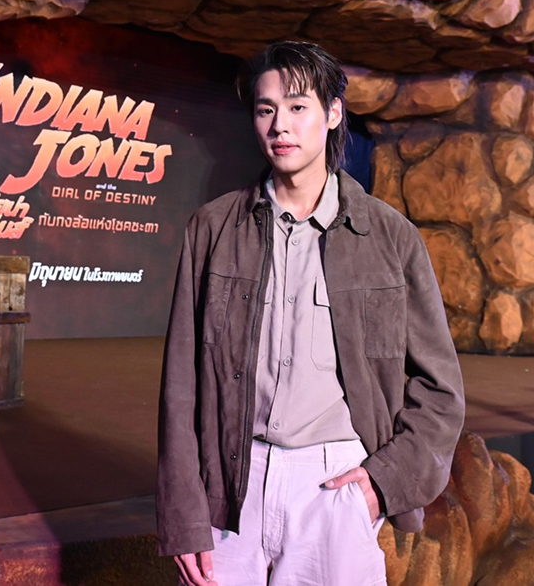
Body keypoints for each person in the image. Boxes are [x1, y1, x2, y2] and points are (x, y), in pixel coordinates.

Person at [157, 41, 465, 586]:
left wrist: (381, 484)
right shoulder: (212, 228)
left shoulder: (390, 237)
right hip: (231, 483)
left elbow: (441, 390)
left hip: (335, 486)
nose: (280, 125)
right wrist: (184, 515)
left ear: (333, 113)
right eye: (265, 109)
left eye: (298, 106)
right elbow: (181, 386)